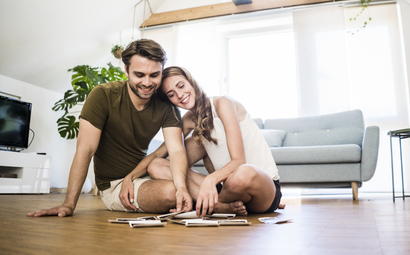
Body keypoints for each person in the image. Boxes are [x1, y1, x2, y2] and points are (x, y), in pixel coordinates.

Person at [27, 39, 193, 217]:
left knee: (186, 166)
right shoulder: (103, 95)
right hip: (115, 185)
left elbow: (176, 150)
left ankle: (214, 196)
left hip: (143, 175)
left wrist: (182, 188)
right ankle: (217, 200)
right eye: (139, 74)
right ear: (126, 70)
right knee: (170, 192)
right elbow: (86, 150)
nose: (147, 83)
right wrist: (68, 204)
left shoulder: (167, 104)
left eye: (154, 75)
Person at [148, 66, 283, 217]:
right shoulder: (187, 120)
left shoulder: (222, 103)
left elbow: (239, 161)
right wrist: (129, 177)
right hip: (228, 190)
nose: (180, 95)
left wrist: (210, 180)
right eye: (171, 94)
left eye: (181, 86)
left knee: (242, 173)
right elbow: (159, 153)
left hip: (261, 188)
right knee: (156, 165)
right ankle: (218, 205)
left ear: (191, 82)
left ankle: (209, 204)